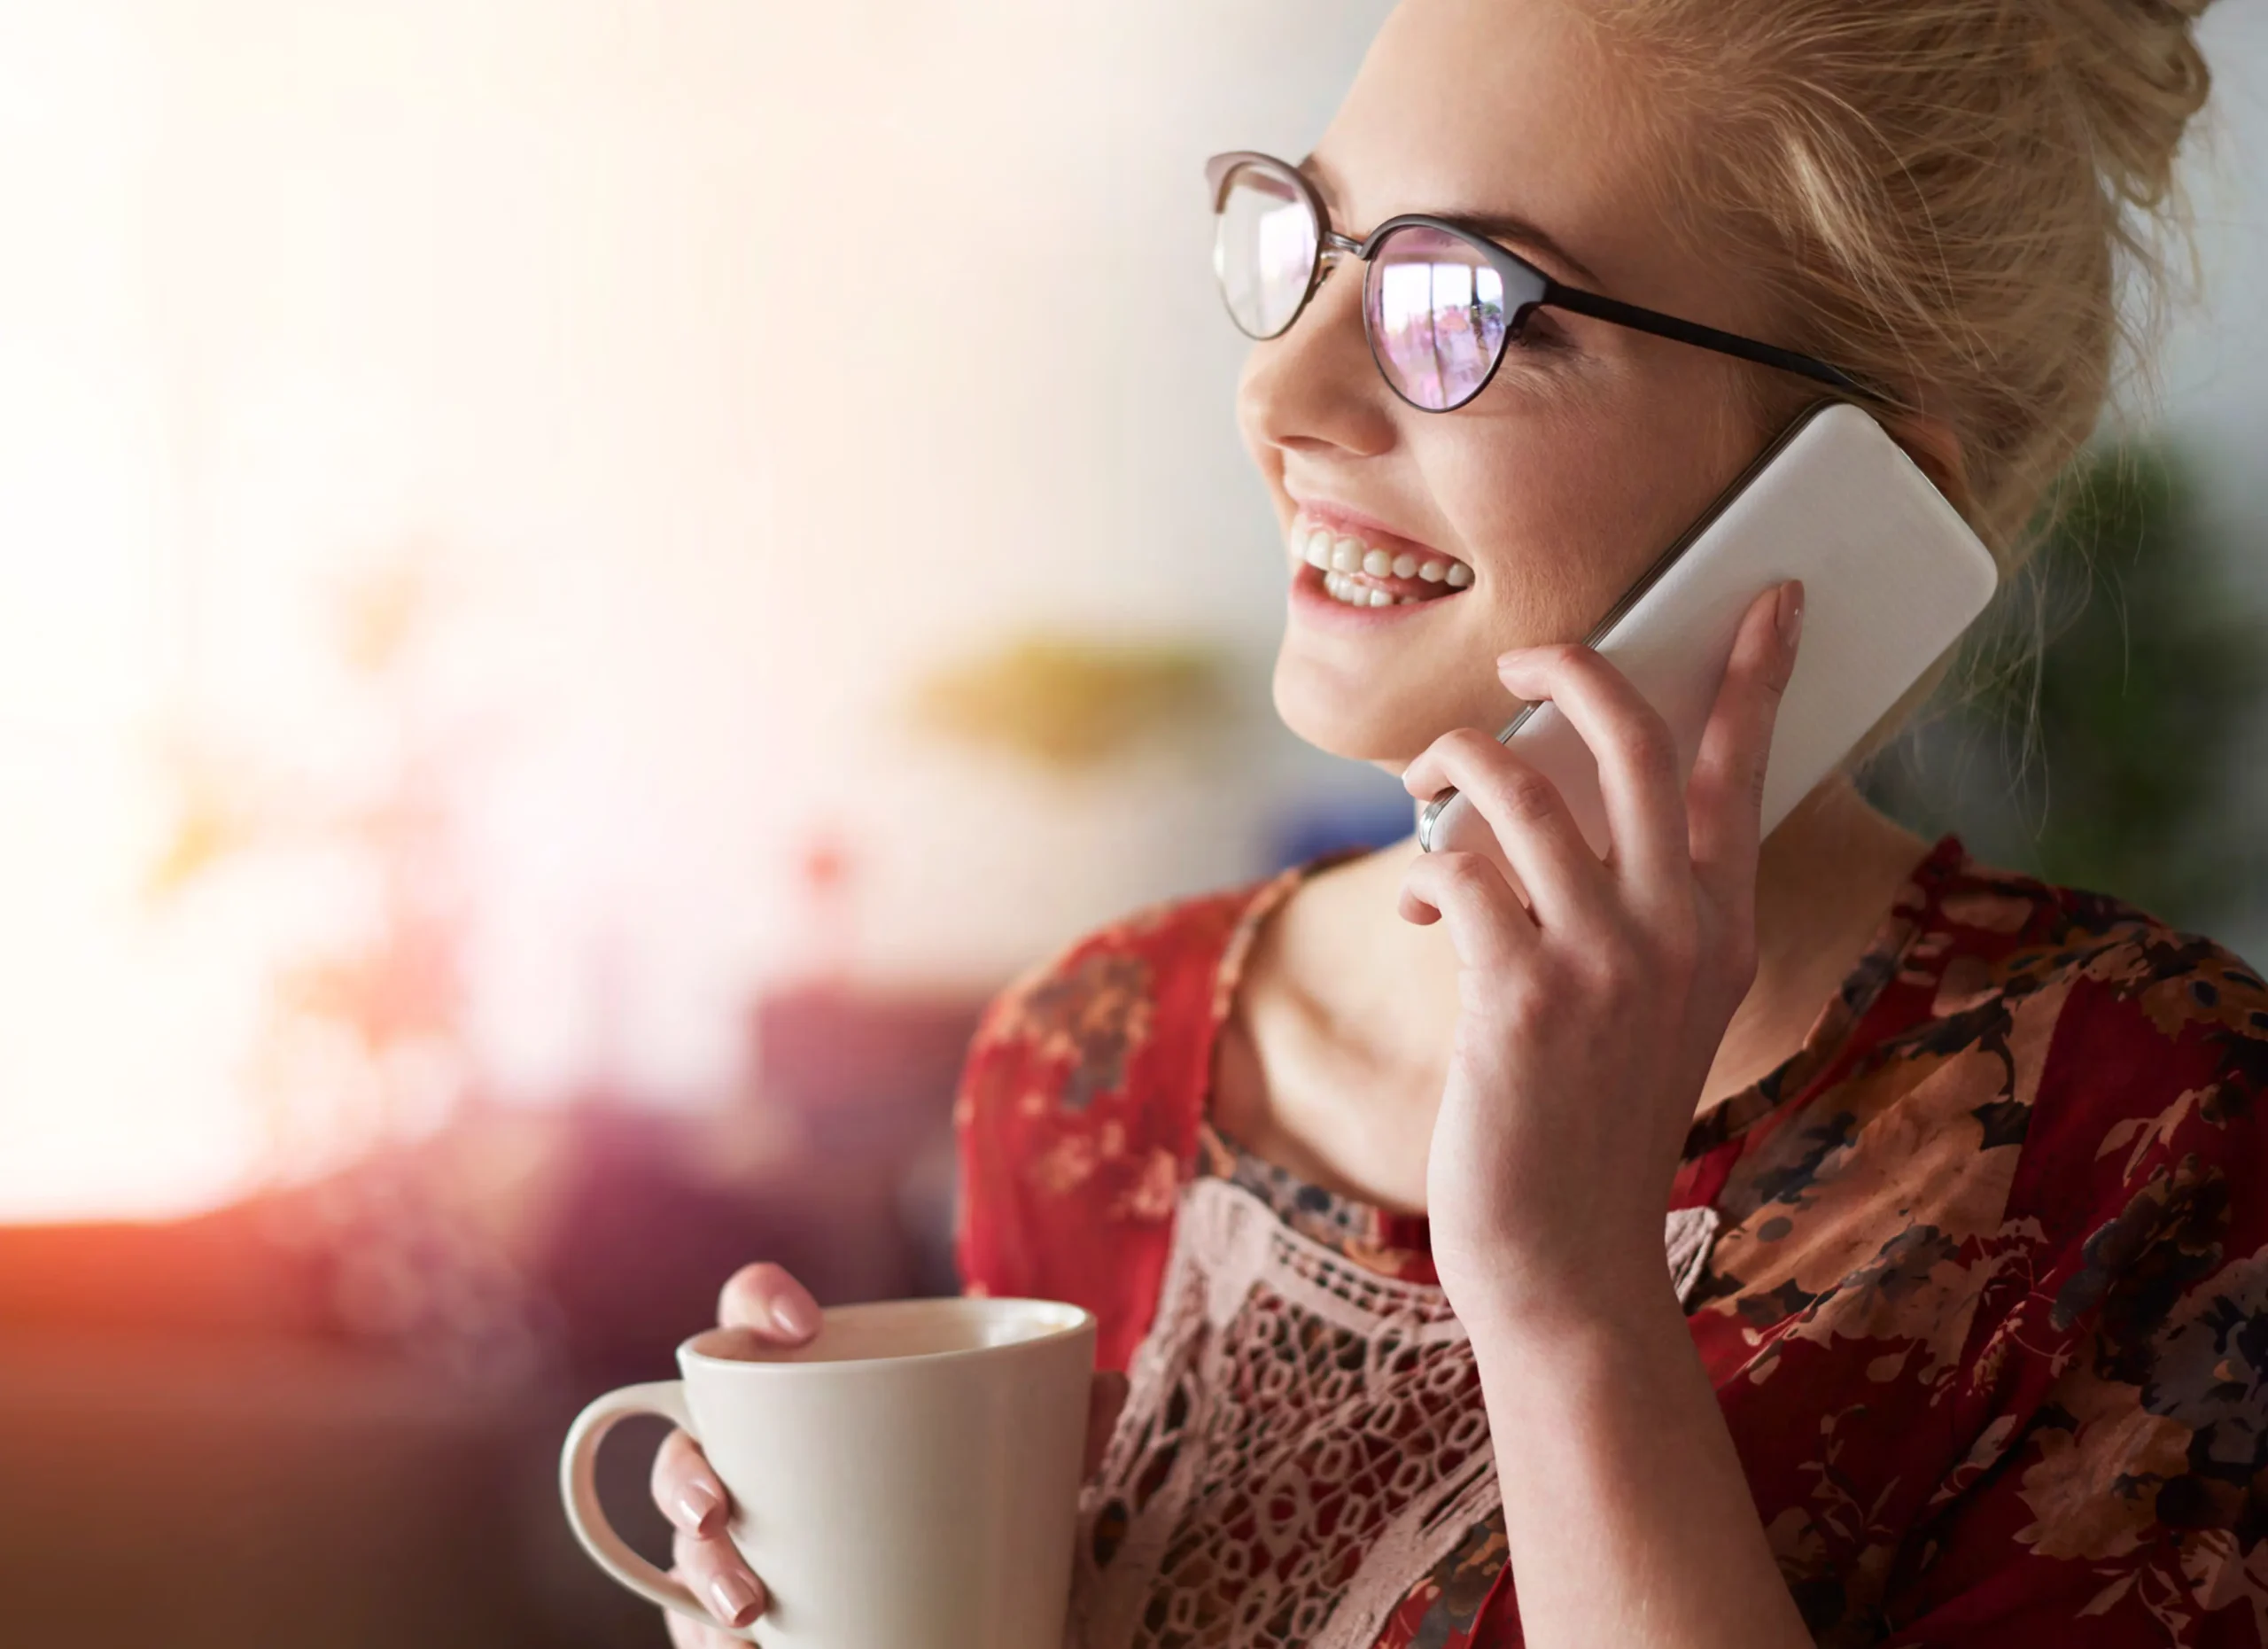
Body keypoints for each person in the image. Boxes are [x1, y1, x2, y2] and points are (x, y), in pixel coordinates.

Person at [650, 0, 2268, 1643]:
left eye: (1464, 305)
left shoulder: (2161, 1137)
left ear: (1854, 499)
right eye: (1308, 241)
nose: (1280, 392)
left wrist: (1572, 1305)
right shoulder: (1091, 1062)